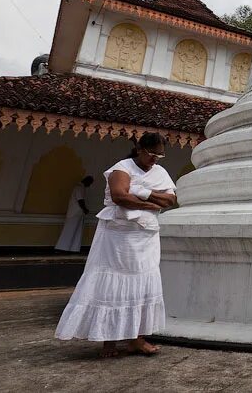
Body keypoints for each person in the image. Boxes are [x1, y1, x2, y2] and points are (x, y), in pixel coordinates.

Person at [55, 132, 178, 357]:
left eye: (159, 156)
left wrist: (141, 192)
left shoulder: (160, 172)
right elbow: (120, 195)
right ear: (139, 149)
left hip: (146, 236)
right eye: (151, 154)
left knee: (142, 282)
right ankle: (109, 341)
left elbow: (170, 200)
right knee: (112, 282)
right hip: (119, 237)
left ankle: (136, 338)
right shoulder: (122, 168)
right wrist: (151, 201)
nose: (154, 160)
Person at [55, 175, 93, 253]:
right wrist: (85, 209)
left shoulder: (81, 187)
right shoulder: (79, 187)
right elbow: (80, 200)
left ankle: (73, 248)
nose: (89, 185)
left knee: (76, 231)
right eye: (90, 183)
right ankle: (61, 248)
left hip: (78, 213)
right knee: (69, 230)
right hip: (74, 213)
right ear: (87, 181)